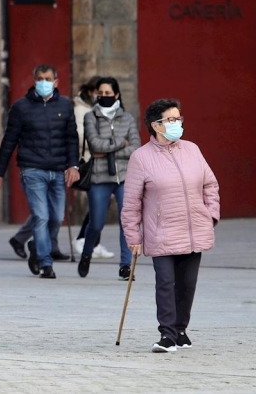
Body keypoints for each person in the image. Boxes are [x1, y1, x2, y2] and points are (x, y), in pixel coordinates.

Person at [122, 98, 219, 353]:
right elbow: (131, 202)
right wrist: (133, 236)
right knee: (166, 282)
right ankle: (166, 335)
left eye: (179, 119)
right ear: (156, 125)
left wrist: (210, 215)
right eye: (171, 119)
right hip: (161, 232)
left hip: (193, 229)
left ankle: (180, 330)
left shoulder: (192, 149)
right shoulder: (140, 158)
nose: (177, 123)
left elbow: (210, 184)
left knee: (187, 284)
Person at [0, 65, 80, 279]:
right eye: (40, 78)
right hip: (32, 169)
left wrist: (73, 165)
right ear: (34, 80)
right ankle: (45, 262)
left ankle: (36, 248)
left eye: (48, 78)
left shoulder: (65, 106)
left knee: (57, 218)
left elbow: (71, 138)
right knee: (41, 216)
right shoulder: (21, 107)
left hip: (58, 170)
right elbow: (9, 140)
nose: (44, 82)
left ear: (56, 81)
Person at [76, 77, 140, 280]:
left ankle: (125, 265)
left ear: (117, 95)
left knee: (126, 220)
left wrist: (110, 149)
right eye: (100, 94)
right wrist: (122, 142)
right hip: (99, 176)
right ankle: (86, 254)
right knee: (96, 223)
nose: (103, 97)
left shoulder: (128, 118)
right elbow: (95, 146)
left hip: (124, 177)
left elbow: (136, 148)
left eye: (107, 94)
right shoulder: (90, 117)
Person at [71, 76, 114, 259]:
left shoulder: (101, 110)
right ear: (90, 91)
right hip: (91, 161)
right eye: (98, 92)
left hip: (106, 162)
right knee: (98, 204)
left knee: (101, 205)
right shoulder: (81, 109)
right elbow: (80, 135)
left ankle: (94, 243)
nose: (101, 95)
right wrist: (102, 143)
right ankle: (83, 238)